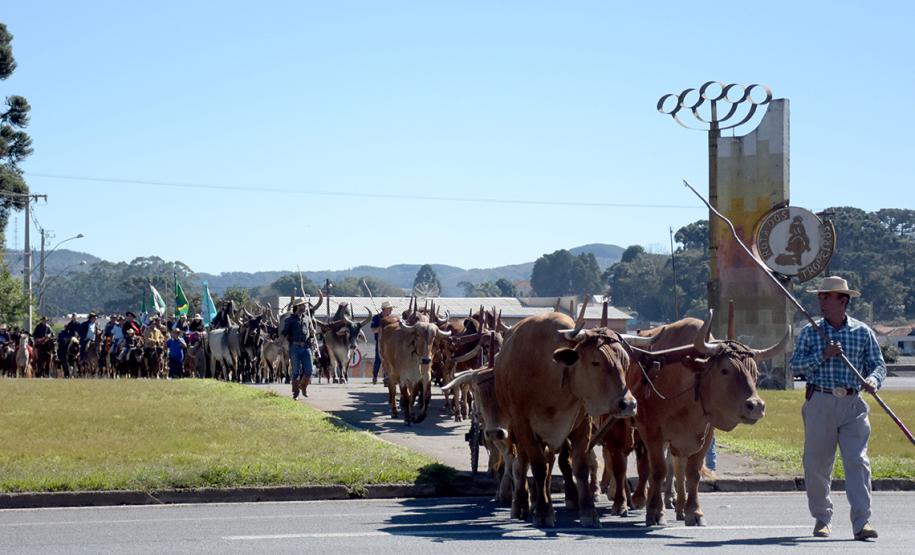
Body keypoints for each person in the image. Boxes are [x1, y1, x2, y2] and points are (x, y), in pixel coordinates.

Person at [789, 276, 886, 541]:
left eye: (826, 296)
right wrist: (824, 354)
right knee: (817, 465)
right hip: (820, 402)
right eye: (820, 296)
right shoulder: (811, 332)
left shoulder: (862, 332)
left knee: (858, 462)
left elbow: (878, 364)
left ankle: (862, 523)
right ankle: (822, 518)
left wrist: (873, 380)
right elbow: (795, 367)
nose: (820, 301)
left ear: (842, 301)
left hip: (853, 405)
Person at [281, 297, 315, 399]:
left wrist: (313, 334)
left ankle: (303, 387)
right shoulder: (289, 320)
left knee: (309, 370)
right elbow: (284, 333)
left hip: (306, 347)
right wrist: (279, 342)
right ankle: (295, 393)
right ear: (297, 307)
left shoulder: (307, 318)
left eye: (305, 305)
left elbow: (310, 334)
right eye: (303, 305)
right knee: (295, 371)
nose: (305, 307)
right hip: (294, 347)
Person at [370, 301, 395, 385]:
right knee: (378, 359)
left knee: (388, 359)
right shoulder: (376, 318)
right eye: (390, 309)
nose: (391, 310)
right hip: (380, 341)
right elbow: (373, 330)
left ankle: (386, 377)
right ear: (385, 309)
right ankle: (375, 377)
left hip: (390, 342)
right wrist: (381, 328)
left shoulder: (392, 319)